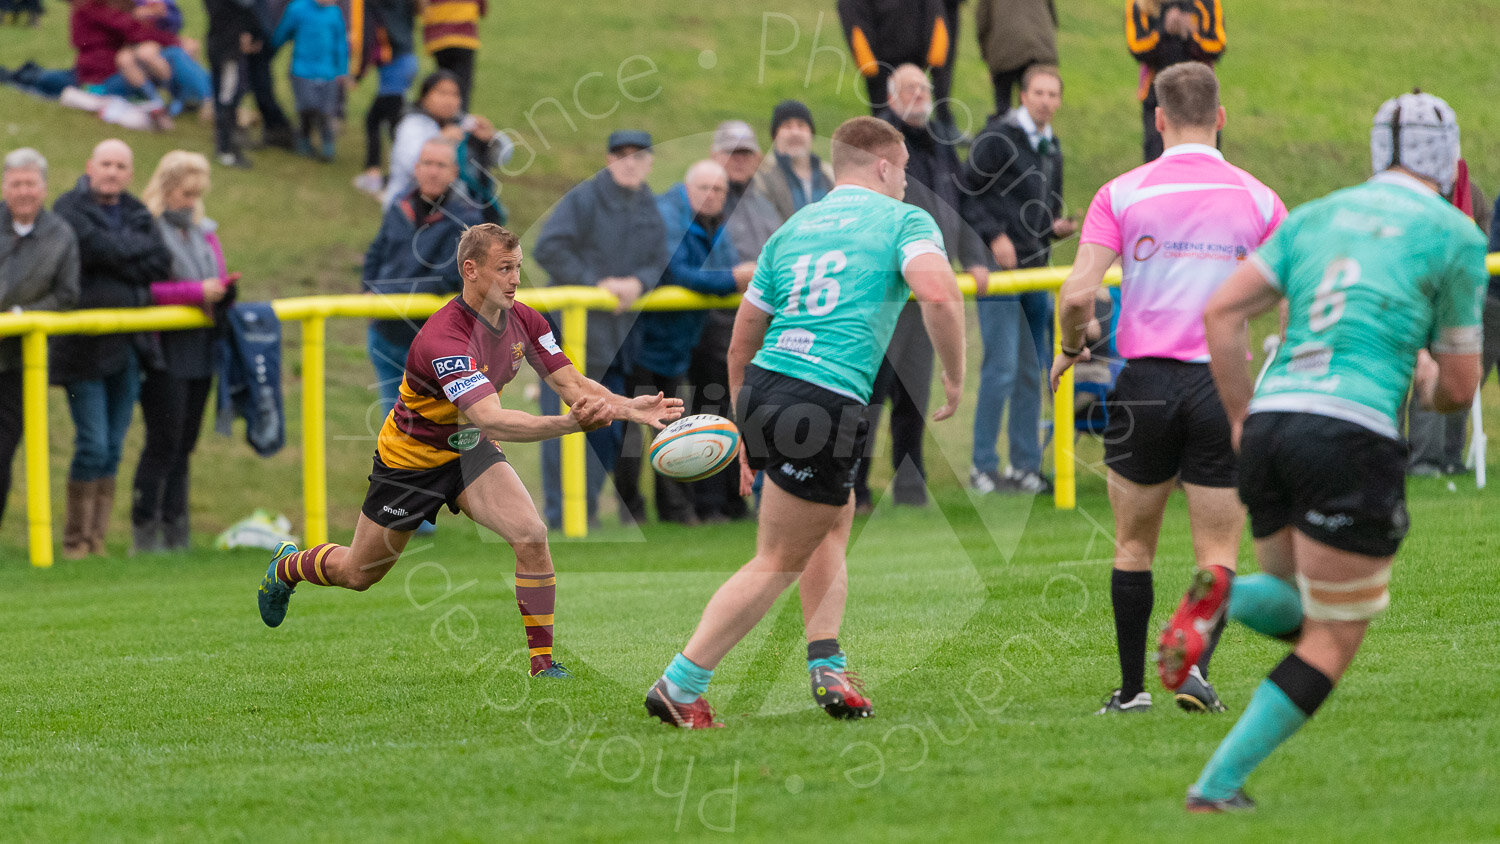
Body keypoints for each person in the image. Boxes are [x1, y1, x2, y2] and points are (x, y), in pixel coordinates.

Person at [1178, 90, 1485, 813]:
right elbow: (1461, 389)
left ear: (1378, 151)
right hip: (1351, 433)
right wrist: (1429, 376)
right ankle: (1215, 786)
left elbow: (1221, 312)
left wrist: (1238, 416)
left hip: (1273, 423)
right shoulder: (1455, 234)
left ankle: (1223, 596)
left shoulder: (1314, 215)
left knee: (1294, 603)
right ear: (1450, 160)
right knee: (1333, 638)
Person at [644, 116, 967, 728]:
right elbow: (941, 295)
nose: (906, 184)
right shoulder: (903, 221)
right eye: (903, 171)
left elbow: (742, 338)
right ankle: (681, 683)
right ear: (881, 166)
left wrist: (746, 420)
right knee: (777, 559)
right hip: (824, 398)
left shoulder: (793, 226)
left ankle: (826, 661)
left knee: (832, 519)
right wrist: (953, 374)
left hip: (768, 381)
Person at [257, 224, 684, 679]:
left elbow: (573, 385)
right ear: (471, 270)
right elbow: (492, 418)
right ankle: (287, 567)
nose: (515, 279)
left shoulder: (528, 320)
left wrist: (627, 409)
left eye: (517, 268)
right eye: (504, 269)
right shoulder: (445, 339)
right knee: (359, 574)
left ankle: (544, 667)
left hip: (471, 454)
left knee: (531, 535)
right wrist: (568, 424)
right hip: (411, 463)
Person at [1048, 63, 1285, 715]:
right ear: (1221, 117)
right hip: (1222, 383)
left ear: (1157, 119)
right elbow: (1294, 292)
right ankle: (1197, 671)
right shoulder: (1261, 199)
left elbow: (1076, 293)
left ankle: (1131, 690)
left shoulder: (1122, 192)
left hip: (1145, 383)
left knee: (1133, 544)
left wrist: (1072, 347)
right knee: (1218, 548)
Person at [860, 63, 987, 510]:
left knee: (913, 391)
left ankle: (910, 486)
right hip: (886, 288)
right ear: (891, 98)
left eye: (924, 87)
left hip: (926, 289)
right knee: (872, 390)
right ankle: (855, 486)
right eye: (908, 88)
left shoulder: (942, 142)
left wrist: (972, 256)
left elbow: (961, 204)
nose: (918, 95)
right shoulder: (880, 146)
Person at [533, 130, 668, 528]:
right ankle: (561, 519)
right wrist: (597, 283)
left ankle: (585, 512)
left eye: (639, 155)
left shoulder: (648, 205)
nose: (630, 162)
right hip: (569, 343)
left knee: (606, 433)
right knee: (563, 429)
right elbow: (548, 247)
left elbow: (660, 258)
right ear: (608, 159)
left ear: (650, 162)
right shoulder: (584, 197)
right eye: (621, 154)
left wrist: (639, 283)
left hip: (618, 342)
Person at [615, 160, 754, 525]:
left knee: (675, 430)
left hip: (676, 344)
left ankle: (675, 512)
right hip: (640, 341)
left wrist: (732, 275)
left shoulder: (715, 223)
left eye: (719, 190)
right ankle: (631, 514)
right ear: (687, 187)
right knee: (631, 433)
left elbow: (722, 265)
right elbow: (674, 271)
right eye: (704, 188)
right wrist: (732, 278)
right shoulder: (666, 215)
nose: (712, 196)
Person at [51, 139, 172, 558]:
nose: (113, 172)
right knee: (93, 444)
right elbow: (89, 250)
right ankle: (74, 542)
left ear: (130, 173)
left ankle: (96, 541)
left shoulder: (137, 209)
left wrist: (112, 253)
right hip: (81, 350)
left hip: (129, 348)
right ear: (90, 165)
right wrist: (124, 253)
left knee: (115, 447)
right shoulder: (68, 208)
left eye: (121, 165)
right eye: (106, 163)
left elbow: (160, 261)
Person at [963, 64, 1074, 495]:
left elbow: (1040, 209)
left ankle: (1025, 466)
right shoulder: (996, 139)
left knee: (1035, 371)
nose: (1046, 100)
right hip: (998, 272)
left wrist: (1053, 227)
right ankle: (982, 466)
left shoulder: (1052, 146)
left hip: (1037, 270)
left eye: (1053, 94)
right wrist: (994, 237)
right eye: (1039, 92)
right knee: (1002, 368)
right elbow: (966, 193)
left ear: (1058, 101)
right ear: (1023, 96)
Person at [132, 151, 235, 553]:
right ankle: (145, 532)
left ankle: (177, 531)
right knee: (163, 440)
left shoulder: (205, 231)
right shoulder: (150, 231)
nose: (190, 201)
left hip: (200, 347)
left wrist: (225, 289)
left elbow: (219, 275)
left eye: (196, 193)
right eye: (184, 193)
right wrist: (196, 293)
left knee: (186, 443)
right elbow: (147, 291)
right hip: (163, 349)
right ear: (166, 188)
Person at [688, 120, 780, 523]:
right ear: (714, 155)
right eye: (731, 152)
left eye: (745, 153)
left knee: (749, 409)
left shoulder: (764, 202)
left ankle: (739, 497)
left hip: (760, 322)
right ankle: (709, 503)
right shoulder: (706, 197)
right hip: (714, 323)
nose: (738, 160)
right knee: (712, 410)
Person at [364, 138, 485, 417]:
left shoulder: (466, 218)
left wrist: (383, 295)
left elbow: (445, 280)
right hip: (385, 336)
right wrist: (369, 296)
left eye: (441, 165)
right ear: (416, 168)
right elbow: (374, 255)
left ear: (454, 172)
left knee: (431, 434)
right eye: (427, 163)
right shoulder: (399, 205)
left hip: (434, 346)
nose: (432, 171)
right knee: (392, 429)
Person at [0, 149, 80, 528]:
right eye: (16, 183)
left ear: (44, 188)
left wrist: (21, 317)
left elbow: (67, 296)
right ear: (4, 186)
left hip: (18, 364)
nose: (23, 191)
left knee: (2, 454)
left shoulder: (60, 235)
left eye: (30, 183)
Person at [381, 69, 512, 222]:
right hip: (410, 211)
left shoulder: (464, 124)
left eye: (455, 94)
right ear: (424, 96)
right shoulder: (411, 125)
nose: (448, 100)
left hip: (455, 212)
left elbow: (503, 158)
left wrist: (491, 139)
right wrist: (442, 141)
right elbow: (413, 166)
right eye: (441, 93)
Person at [836, 0, 958, 133]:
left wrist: (935, 55)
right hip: (880, 66)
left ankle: (943, 128)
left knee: (918, 118)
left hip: (915, 58)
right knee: (886, 128)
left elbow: (932, 10)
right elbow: (854, 17)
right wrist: (868, 64)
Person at [1126, 0, 1224, 162]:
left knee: (1204, 158)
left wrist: (1191, 35)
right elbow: (1137, 48)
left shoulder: (1206, 3)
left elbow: (1217, 46)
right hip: (1158, 94)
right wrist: (1163, 30)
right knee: (1157, 155)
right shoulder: (1140, 4)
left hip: (1199, 93)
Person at [351, 0, 420, 197]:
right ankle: (404, 176)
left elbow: (367, 36)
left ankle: (381, 176)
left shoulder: (372, 5)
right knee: (392, 124)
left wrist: (358, 74)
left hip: (394, 67)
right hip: (407, 59)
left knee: (381, 123)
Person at [271, 0, 349, 161]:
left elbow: (340, 42)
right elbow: (283, 32)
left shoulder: (334, 12)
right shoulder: (297, 8)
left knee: (326, 111)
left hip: (328, 72)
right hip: (302, 70)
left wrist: (342, 70)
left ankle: (328, 144)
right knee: (307, 107)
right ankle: (304, 139)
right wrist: (270, 47)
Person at [203, 0, 268, 168]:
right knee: (227, 100)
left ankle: (226, 146)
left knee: (224, 98)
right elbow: (247, 9)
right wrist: (254, 34)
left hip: (220, 45)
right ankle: (225, 150)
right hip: (227, 50)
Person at [750, 100, 834, 223]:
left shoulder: (829, 174)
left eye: (801, 125)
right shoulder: (761, 175)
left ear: (811, 133)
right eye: (787, 126)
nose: (795, 132)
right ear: (775, 136)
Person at [976, 0, 1057, 114]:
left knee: (1003, 108)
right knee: (1033, 110)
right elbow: (1052, 16)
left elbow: (983, 22)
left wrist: (987, 58)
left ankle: (1002, 127)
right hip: (1039, 49)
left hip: (1004, 50)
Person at [420, 0, 482, 110]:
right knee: (461, 85)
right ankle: (459, 119)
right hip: (464, 37)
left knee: (444, 82)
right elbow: (482, 9)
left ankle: (444, 116)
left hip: (438, 38)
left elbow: (421, 7)